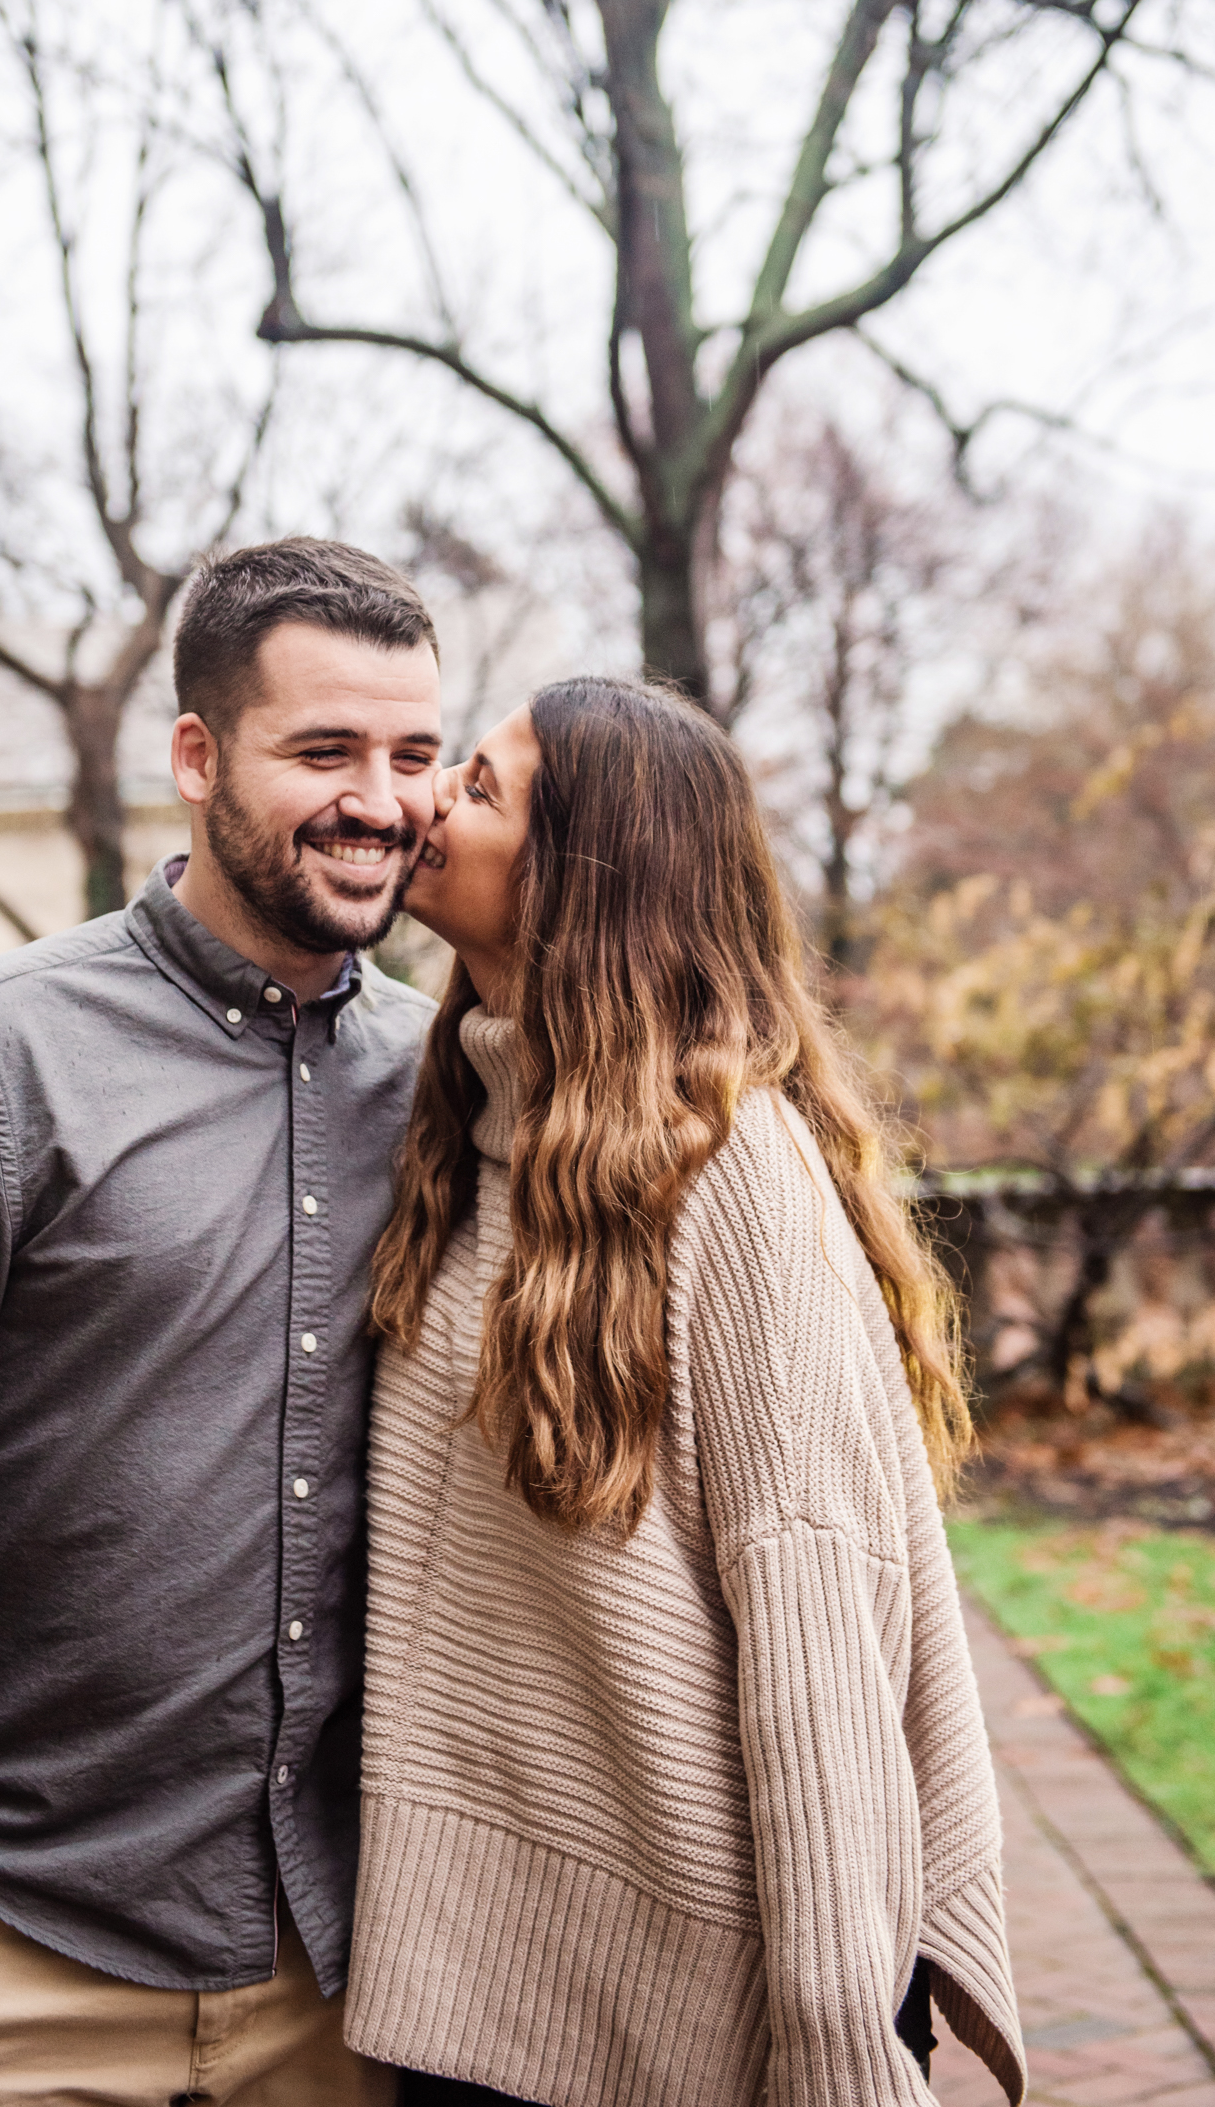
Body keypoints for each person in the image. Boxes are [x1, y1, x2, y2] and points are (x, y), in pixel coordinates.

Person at [0, 537, 445, 2107]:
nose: (382, 800)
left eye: (414, 754)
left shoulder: (447, 1083)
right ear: (196, 758)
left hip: (342, 1972)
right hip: (1, 1954)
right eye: (322, 751)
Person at [349, 678, 1027, 2107]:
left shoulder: (735, 1180)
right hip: (482, 2001)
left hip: (712, 2014)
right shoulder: (469, 1136)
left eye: (476, 789)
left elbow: (816, 1626)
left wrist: (836, 2048)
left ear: (586, 875)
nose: (422, 807)